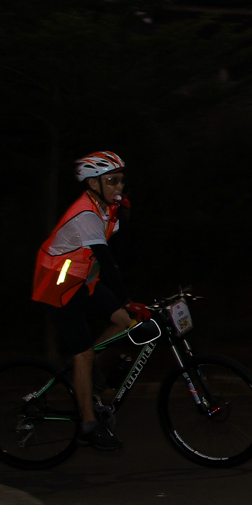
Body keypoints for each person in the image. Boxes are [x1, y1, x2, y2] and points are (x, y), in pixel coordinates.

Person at [33, 152, 151, 453]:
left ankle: (86, 367)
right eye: (112, 181)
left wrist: (124, 219)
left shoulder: (106, 209)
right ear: (93, 183)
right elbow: (107, 261)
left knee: (127, 324)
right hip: (57, 285)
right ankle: (88, 425)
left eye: (121, 180)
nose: (119, 186)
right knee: (83, 352)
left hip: (84, 281)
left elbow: (124, 253)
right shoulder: (85, 214)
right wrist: (126, 298)